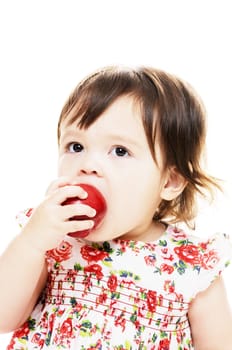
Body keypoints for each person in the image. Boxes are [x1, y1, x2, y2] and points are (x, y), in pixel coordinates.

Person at [0, 65, 231, 350]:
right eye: (75, 146)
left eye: (120, 151)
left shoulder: (192, 266)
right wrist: (31, 243)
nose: (87, 165)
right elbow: (3, 318)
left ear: (170, 181)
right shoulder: (53, 240)